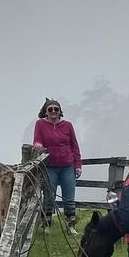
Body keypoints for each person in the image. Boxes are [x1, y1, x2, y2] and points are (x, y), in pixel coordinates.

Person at [32, 98, 82, 234]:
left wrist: (78, 165)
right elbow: (37, 139)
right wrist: (38, 145)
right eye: (50, 109)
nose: (53, 111)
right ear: (46, 112)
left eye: (56, 109)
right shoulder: (40, 124)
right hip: (50, 166)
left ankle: (70, 226)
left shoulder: (68, 125)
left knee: (69, 197)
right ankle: (46, 225)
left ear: (60, 111)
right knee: (48, 195)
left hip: (67, 165)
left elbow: (74, 146)